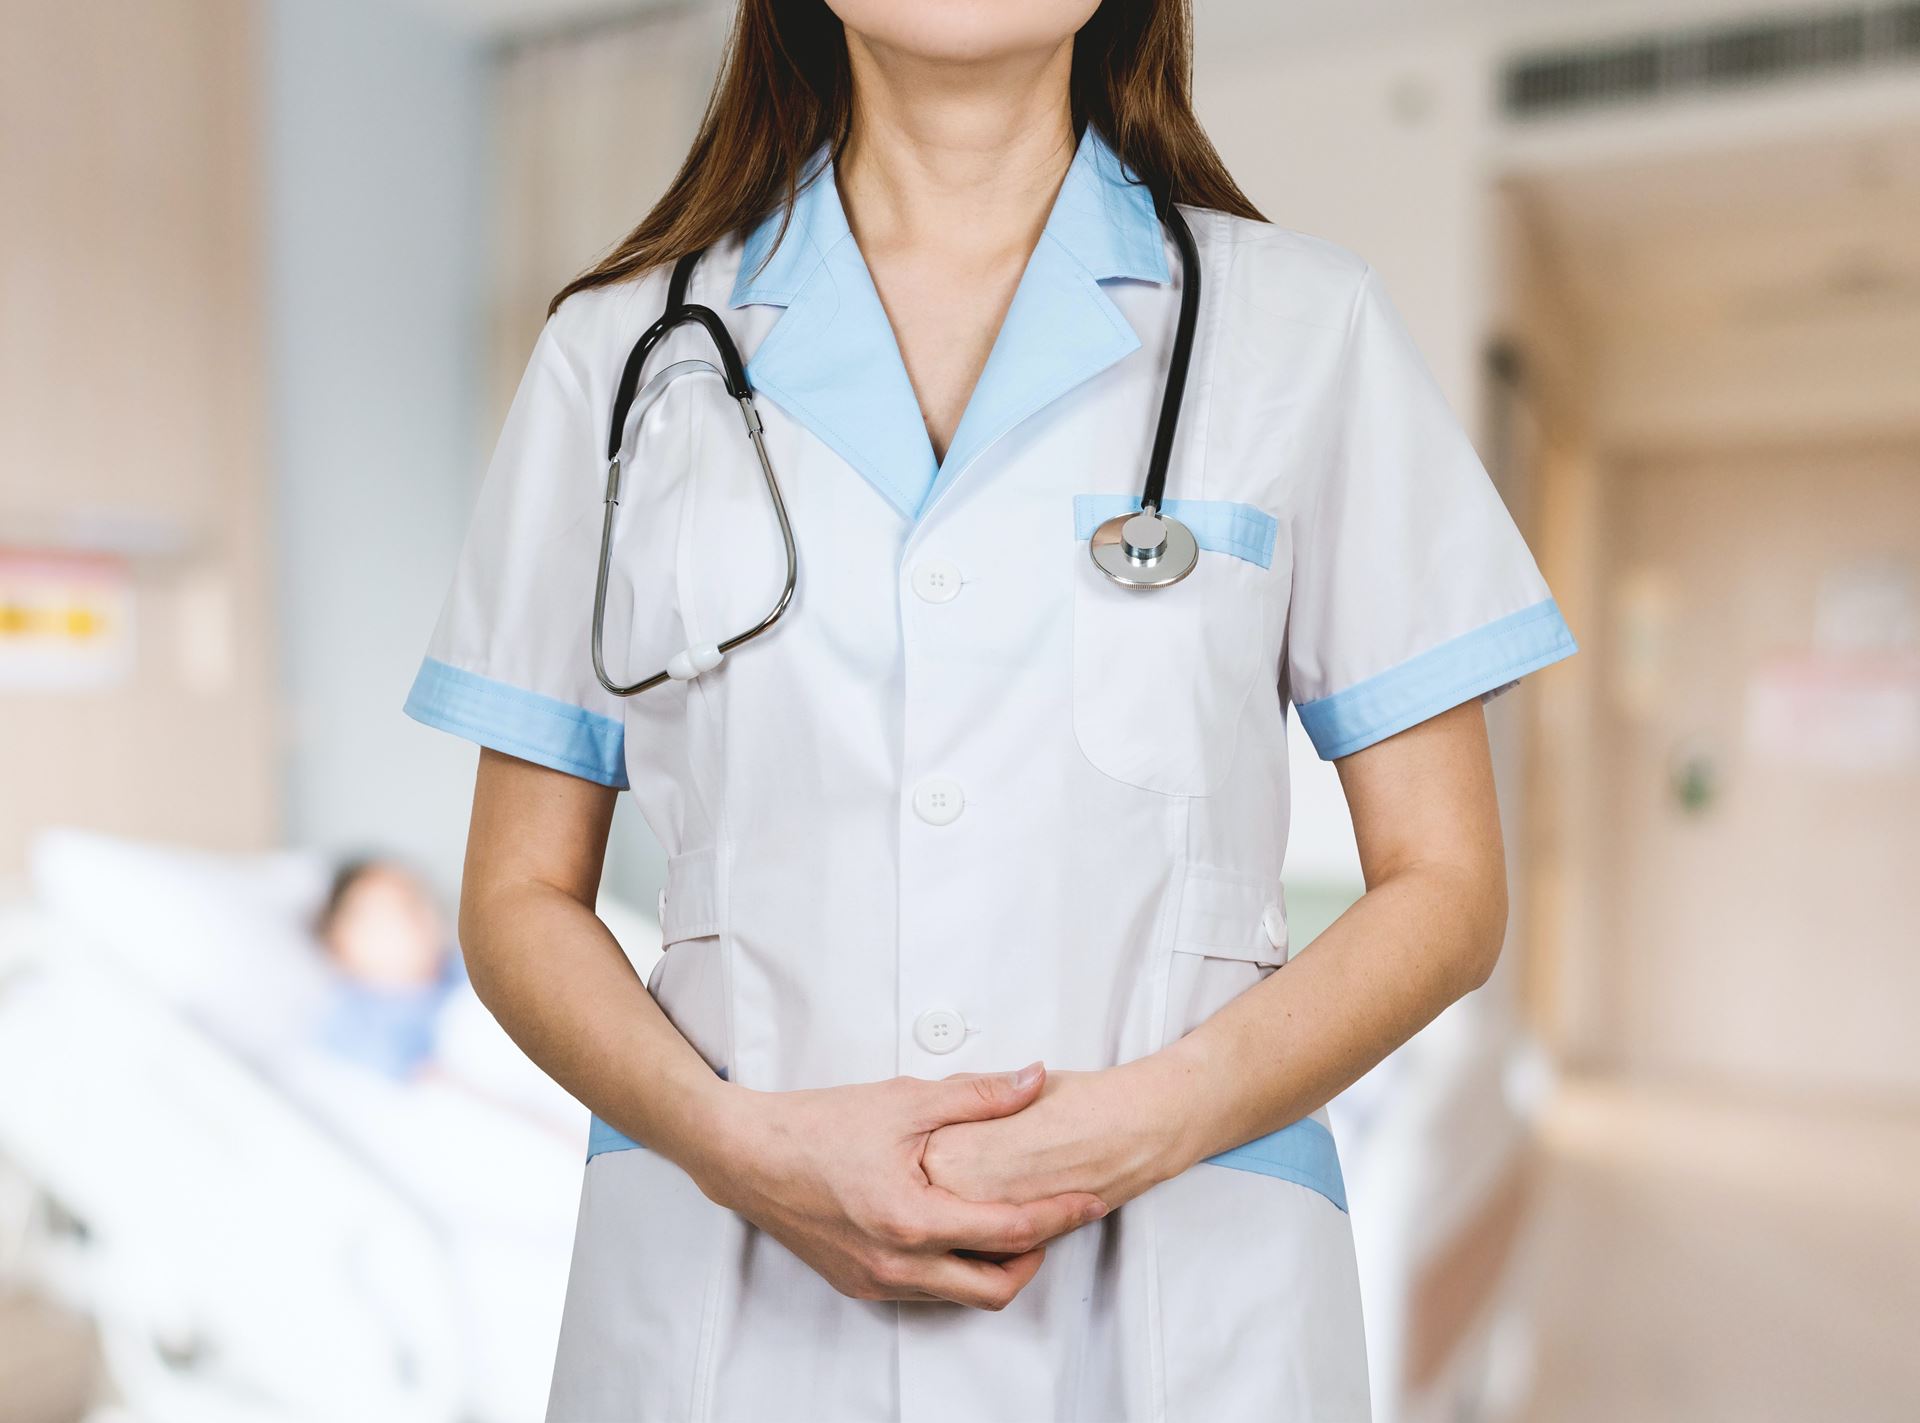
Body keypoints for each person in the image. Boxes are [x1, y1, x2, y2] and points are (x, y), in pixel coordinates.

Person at [402, 2, 1577, 1418]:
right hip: (732, 1306)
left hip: (1183, 1305)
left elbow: (1446, 888)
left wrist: (1146, 1123)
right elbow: (519, 895)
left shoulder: (1301, 332)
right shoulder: (622, 355)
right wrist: (737, 1142)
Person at [311, 857, 460, 1081]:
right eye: (389, 912)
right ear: (339, 942)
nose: (413, 921)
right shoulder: (355, 1024)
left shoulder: (466, 974)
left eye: (417, 902)